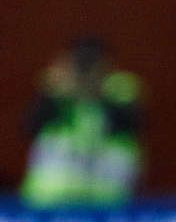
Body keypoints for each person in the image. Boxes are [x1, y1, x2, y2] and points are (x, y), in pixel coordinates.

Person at [20, 37, 142, 208]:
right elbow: (29, 127)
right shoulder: (56, 94)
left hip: (106, 203)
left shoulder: (121, 93)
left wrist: (99, 95)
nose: (86, 72)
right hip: (51, 203)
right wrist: (50, 96)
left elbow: (133, 125)